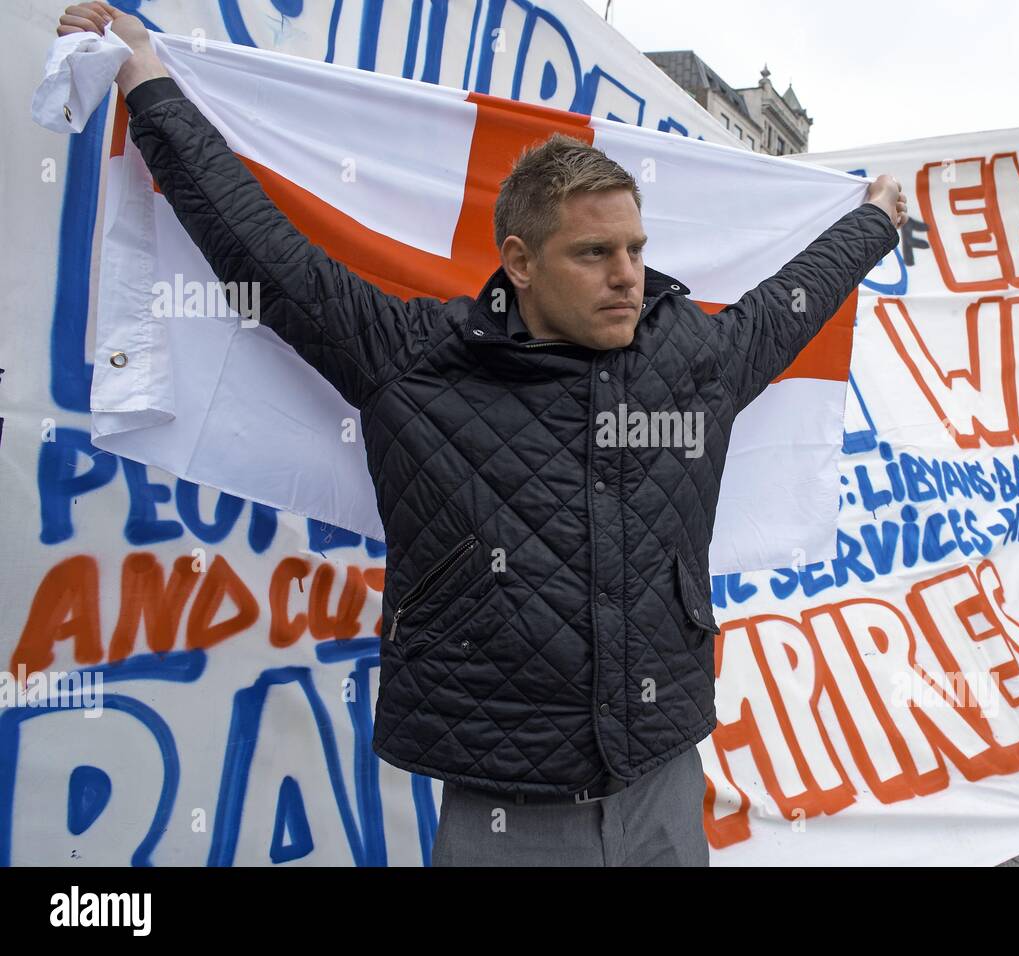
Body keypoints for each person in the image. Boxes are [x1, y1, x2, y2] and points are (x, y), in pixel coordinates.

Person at [58, 3, 906, 866]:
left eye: (637, 249)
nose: (628, 278)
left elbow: (791, 302)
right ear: (521, 261)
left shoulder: (694, 357)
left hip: (665, 781)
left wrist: (873, 221)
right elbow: (260, 248)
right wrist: (144, 77)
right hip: (508, 808)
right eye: (595, 254)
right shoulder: (415, 360)